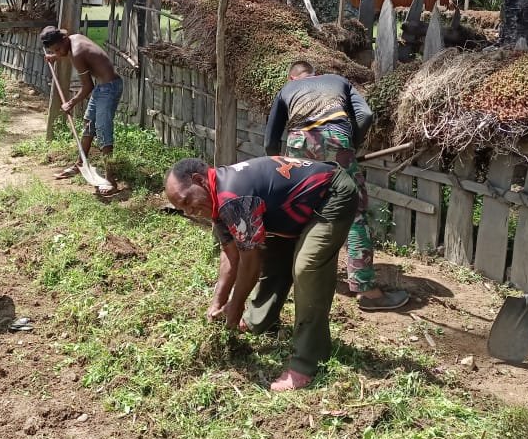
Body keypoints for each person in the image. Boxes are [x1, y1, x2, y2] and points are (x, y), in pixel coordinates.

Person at [164, 154, 360, 392]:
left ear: (199, 180)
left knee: (307, 267)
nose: (189, 212)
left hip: (331, 195)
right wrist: (218, 303)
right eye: (181, 209)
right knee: (276, 255)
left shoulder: (232, 197)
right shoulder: (218, 200)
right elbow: (231, 256)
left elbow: (250, 261)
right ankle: (260, 321)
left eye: (186, 202)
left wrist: (236, 305)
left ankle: (308, 361)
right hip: (296, 210)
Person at [264, 60, 409, 311]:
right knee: (354, 215)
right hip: (337, 140)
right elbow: (365, 115)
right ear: (315, 74)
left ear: (292, 79)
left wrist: (281, 167)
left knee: (299, 213)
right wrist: (348, 145)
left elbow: (270, 141)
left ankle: (294, 278)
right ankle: (368, 292)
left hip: (297, 146)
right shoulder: (337, 80)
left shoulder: (286, 91)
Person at [40, 25, 122, 194]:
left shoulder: (76, 53)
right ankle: (80, 163)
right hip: (103, 86)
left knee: (102, 130)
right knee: (88, 124)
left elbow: (87, 86)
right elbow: (67, 52)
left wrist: (70, 103)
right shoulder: (73, 39)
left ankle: (111, 180)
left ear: (63, 39)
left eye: (58, 49)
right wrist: (56, 57)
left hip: (109, 88)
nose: (59, 52)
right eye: (54, 50)